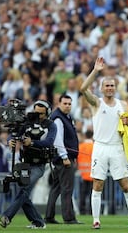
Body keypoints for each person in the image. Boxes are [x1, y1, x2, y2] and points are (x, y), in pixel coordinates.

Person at [80, 56, 128, 229]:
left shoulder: (123, 104)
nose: (109, 88)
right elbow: (83, 88)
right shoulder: (96, 103)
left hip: (116, 148)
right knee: (98, 184)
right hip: (100, 147)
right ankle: (96, 220)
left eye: (112, 85)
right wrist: (95, 71)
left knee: (125, 184)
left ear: (115, 87)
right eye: (106, 85)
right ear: (102, 88)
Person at [0, 100, 57, 229]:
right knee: (23, 192)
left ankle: (7, 216)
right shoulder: (27, 122)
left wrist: (32, 143)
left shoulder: (51, 125)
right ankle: (38, 222)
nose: (38, 116)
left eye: (41, 114)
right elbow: (13, 134)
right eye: (36, 113)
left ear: (47, 113)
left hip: (39, 164)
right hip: (25, 163)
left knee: (24, 190)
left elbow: (49, 142)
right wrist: (10, 142)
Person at [44, 94, 82, 224]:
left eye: (69, 104)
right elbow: (57, 139)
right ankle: (69, 217)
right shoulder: (58, 118)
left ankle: (49, 216)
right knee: (67, 188)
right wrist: (65, 157)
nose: (67, 106)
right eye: (65, 103)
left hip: (62, 157)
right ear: (59, 104)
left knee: (57, 188)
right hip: (63, 158)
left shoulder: (65, 117)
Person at [77, 129, 94, 215]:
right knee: (92, 194)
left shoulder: (81, 146)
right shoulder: (94, 146)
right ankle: (91, 211)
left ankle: (82, 210)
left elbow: (77, 158)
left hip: (83, 174)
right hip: (92, 174)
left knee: (82, 194)